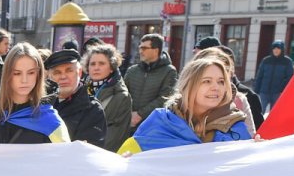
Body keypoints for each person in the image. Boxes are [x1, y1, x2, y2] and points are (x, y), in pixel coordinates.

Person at [122, 54, 255, 153]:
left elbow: (246, 175)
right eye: (207, 81)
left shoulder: (236, 127)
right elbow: (129, 157)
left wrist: (257, 152)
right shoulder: (160, 122)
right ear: (188, 86)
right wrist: (129, 160)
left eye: (221, 82)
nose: (216, 87)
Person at [0, 42, 70, 145]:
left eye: (30, 73)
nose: (24, 80)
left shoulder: (50, 121)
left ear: (38, 75)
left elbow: (66, 160)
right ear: (7, 75)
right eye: (17, 73)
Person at [44, 48, 106, 147]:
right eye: (57, 72)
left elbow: (89, 152)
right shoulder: (41, 105)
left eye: (69, 71)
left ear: (79, 72)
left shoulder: (92, 109)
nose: (63, 77)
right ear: (49, 77)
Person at [83, 44, 133, 153]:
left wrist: (89, 153)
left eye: (101, 63)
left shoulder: (121, 96)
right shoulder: (80, 89)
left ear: (111, 67)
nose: (96, 67)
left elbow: (116, 136)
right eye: (92, 64)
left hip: (98, 155)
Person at [126, 34, 178, 134]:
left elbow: (165, 98)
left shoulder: (169, 71)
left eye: (144, 48)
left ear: (156, 50)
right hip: (128, 124)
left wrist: (140, 114)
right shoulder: (132, 71)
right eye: (140, 48)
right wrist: (128, 114)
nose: (141, 51)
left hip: (152, 126)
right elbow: (123, 95)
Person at [253, 41, 294, 113]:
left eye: (278, 48)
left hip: (277, 93)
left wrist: (282, 89)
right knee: (259, 112)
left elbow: (289, 78)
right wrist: (255, 90)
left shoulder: (287, 61)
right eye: (274, 48)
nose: (276, 50)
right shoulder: (266, 60)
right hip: (264, 91)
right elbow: (259, 76)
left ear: (282, 49)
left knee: (274, 113)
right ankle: (258, 124)